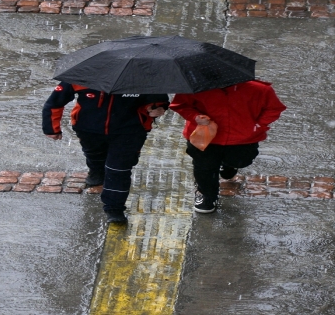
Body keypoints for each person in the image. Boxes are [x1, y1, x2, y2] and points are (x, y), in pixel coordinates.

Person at [42, 81, 169, 223]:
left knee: (119, 169)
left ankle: (114, 208)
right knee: (94, 155)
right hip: (88, 128)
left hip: (129, 132)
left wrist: (155, 108)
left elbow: (159, 101)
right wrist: (51, 127)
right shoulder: (83, 74)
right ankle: (96, 172)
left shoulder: (143, 77)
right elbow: (55, 102)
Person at [169, 80, 286, 213]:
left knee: (242, 160)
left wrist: (257, 126)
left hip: (242, 139)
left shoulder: (259, 89)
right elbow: (180, 105)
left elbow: (273, 108)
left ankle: (230, 165)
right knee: (204, 167)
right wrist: (195, 117)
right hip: (205, 137)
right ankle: (207, 196)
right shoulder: (195, 87)